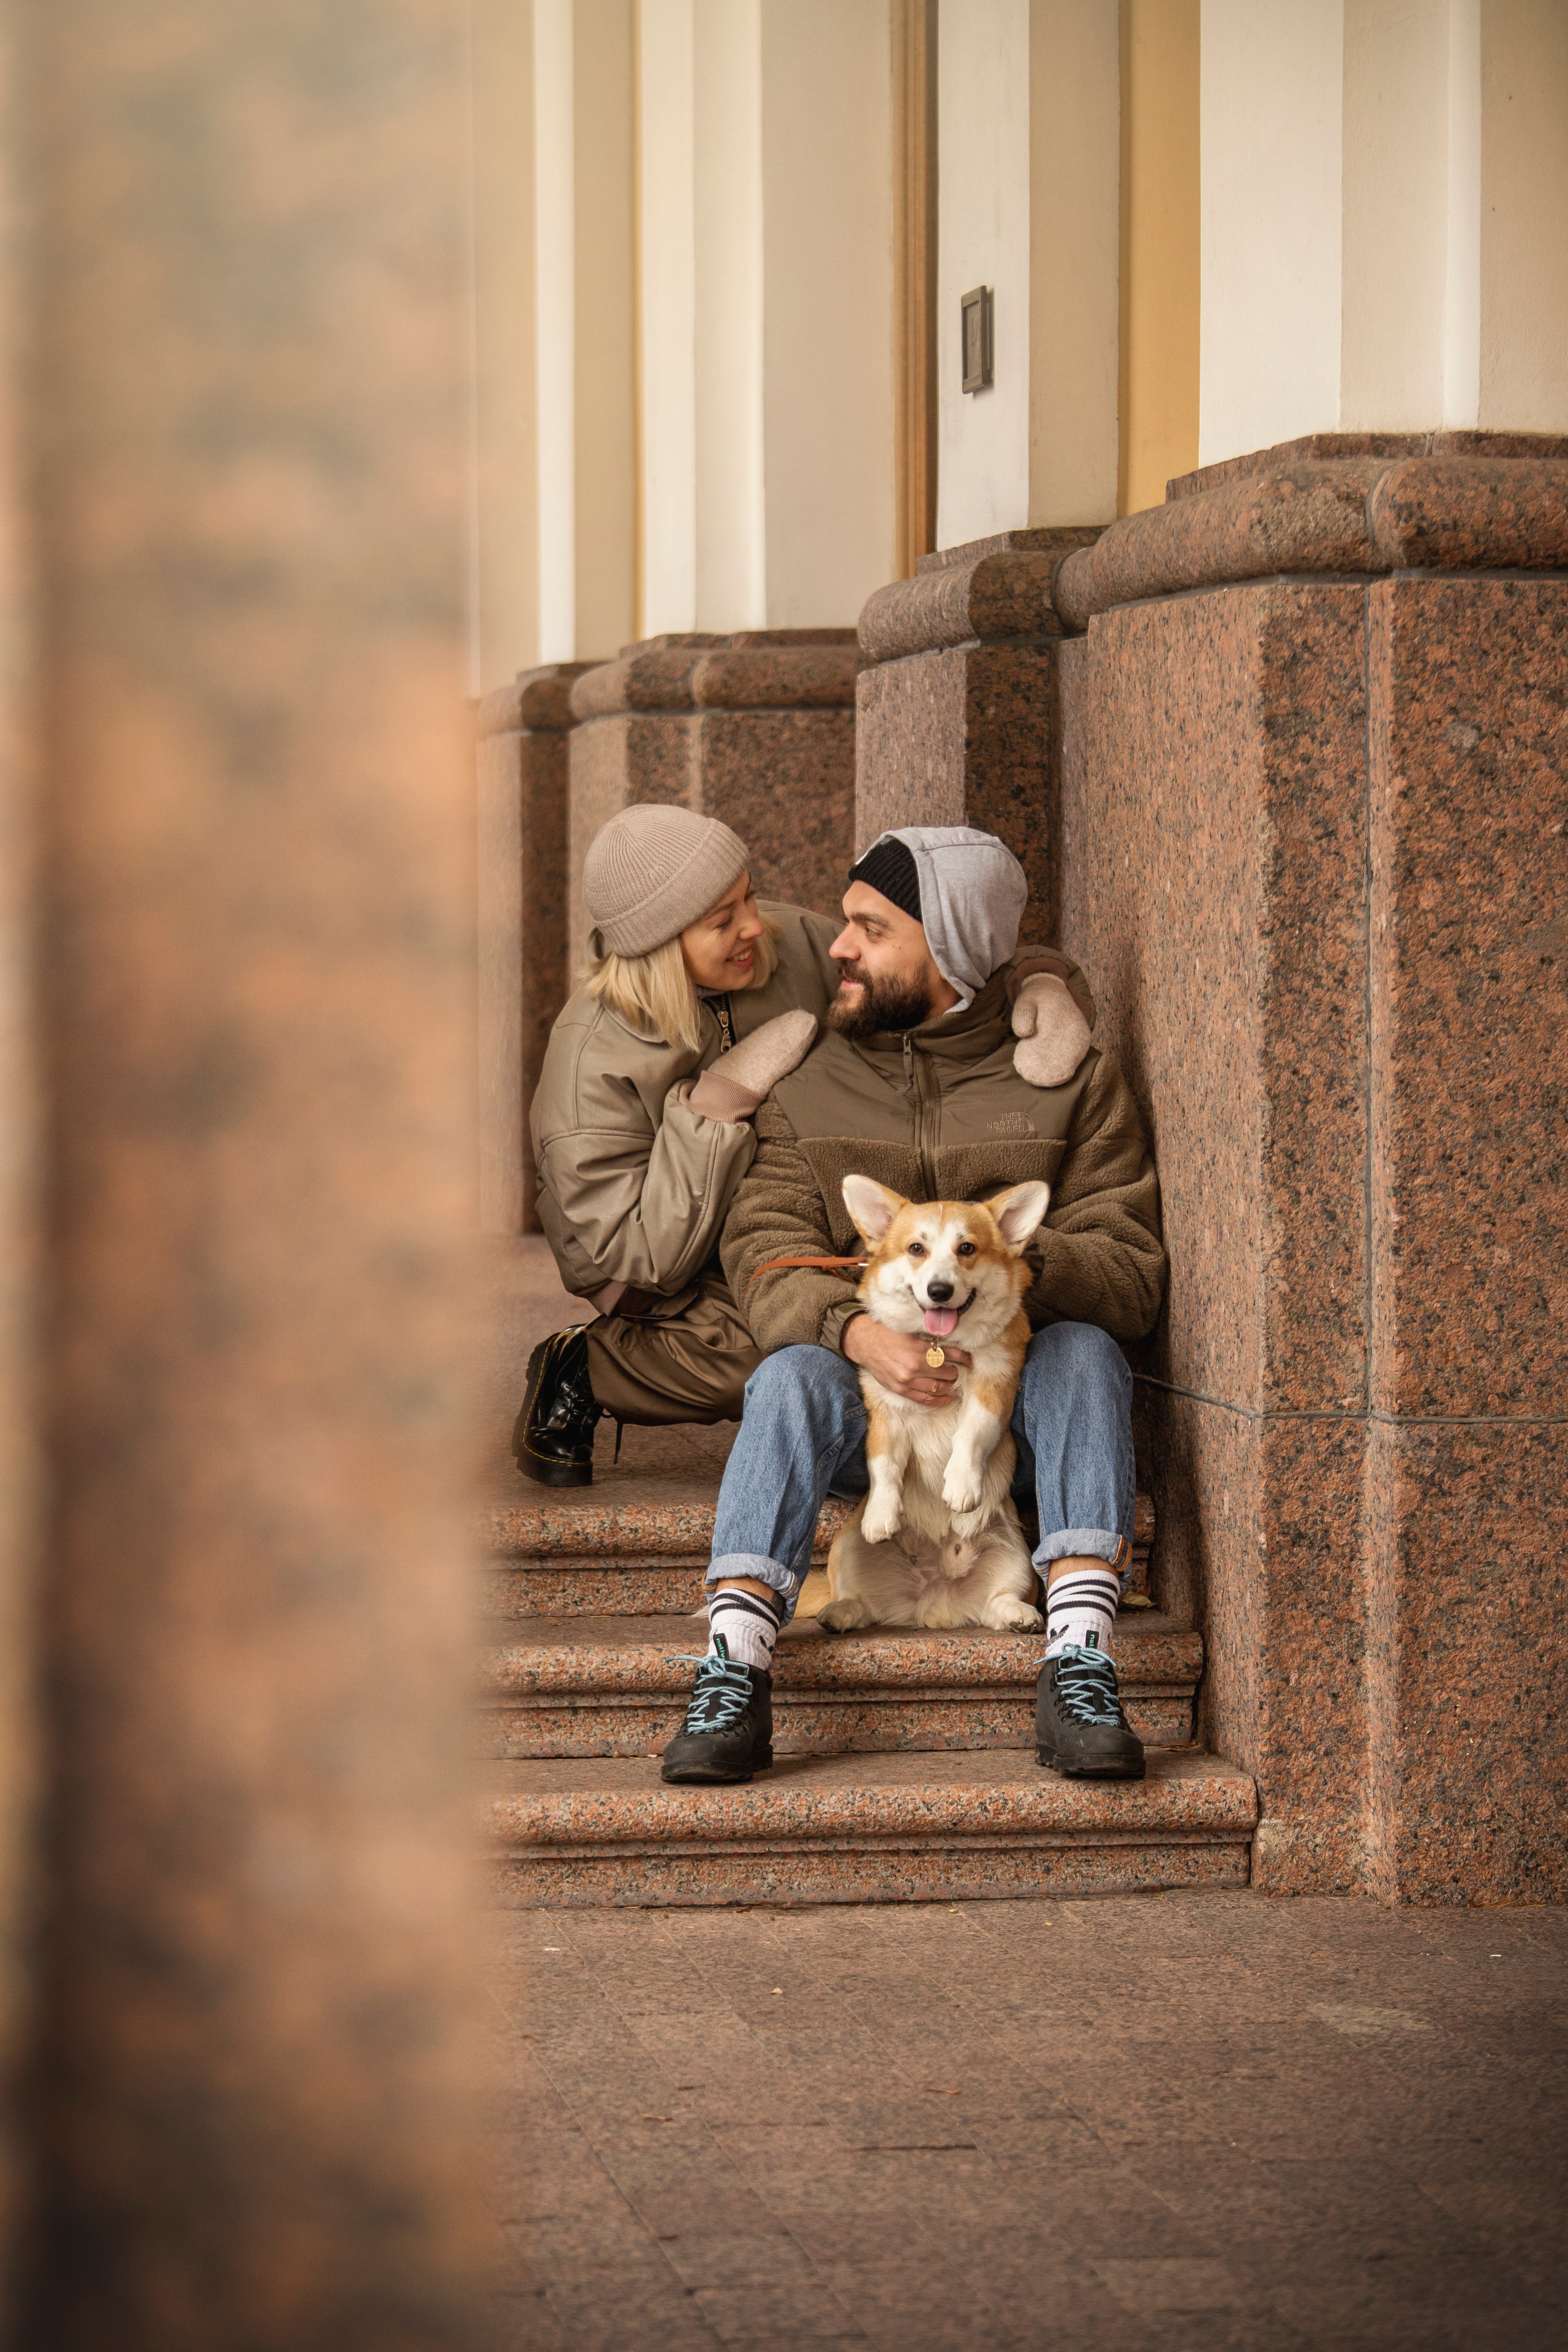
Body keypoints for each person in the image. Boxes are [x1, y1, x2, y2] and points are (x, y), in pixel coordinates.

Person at [657, 824, 1167, 1785]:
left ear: (951, 947)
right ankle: (733, 1665)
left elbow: (1134, 1270)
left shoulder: (1071, 1084)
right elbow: (762, 1257)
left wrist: (996, 1276)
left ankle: (1081, 1657)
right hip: (878, 1430)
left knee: (1088, 1349)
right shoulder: (811, 1085)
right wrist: (860, 1331)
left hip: (1011, 1429)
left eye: (871, 928)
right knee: (791, 1373)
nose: (839, 948)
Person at [516, 804, 840, 1484]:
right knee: (780, 1356)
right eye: (722, 921)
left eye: (748, 894)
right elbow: (643, 1260)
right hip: (656, 1272)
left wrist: (1037, 983)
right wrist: (720, 1100)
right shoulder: (590, 1059)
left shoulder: (800, 944)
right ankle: (591, 1365)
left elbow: (923, 971)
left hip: (782, 1224)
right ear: (659, 944)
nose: (755, 924)